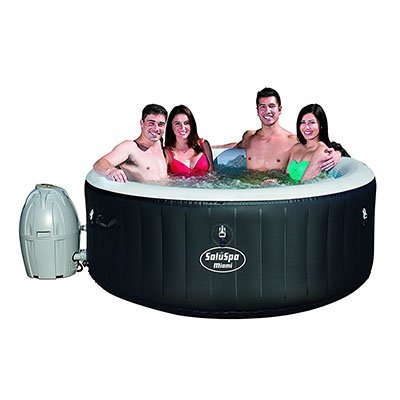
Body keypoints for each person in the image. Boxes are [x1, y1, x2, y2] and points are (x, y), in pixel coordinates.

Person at [215, 87, 342, 172]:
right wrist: (212, 147)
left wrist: (337, 154)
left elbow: (318, 145)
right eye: (262, 107)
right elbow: (235, 146)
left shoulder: (293, 141)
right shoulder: (249, 137)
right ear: (257, 111)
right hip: (246, 189)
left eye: (271, 106)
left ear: (279, 109)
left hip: (275, 193)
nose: (267, 111)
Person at [93, 104, 168, 183]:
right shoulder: (130, 147)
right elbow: (99, 163)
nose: (156, 128)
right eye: (151, 123)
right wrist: (111, 170)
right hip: (143, 191)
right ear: (142, 123)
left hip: (165, 188)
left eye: (161, 124)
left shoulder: (159, 143)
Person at [286, 103, 343, 182]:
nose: (306, 127)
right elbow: (286, 177)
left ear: (321, 125)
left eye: (312, 122)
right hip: (290, 188)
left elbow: (305, 183)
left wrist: (339, 153)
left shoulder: (322, 150)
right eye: (303, 122)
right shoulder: (296, 148)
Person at [164, 105, 214, 177]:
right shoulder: (167, 153)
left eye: (186, 123)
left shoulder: (203, 144)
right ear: (171, 126)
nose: (182, 128)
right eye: (177, 124)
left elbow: (212, 174)